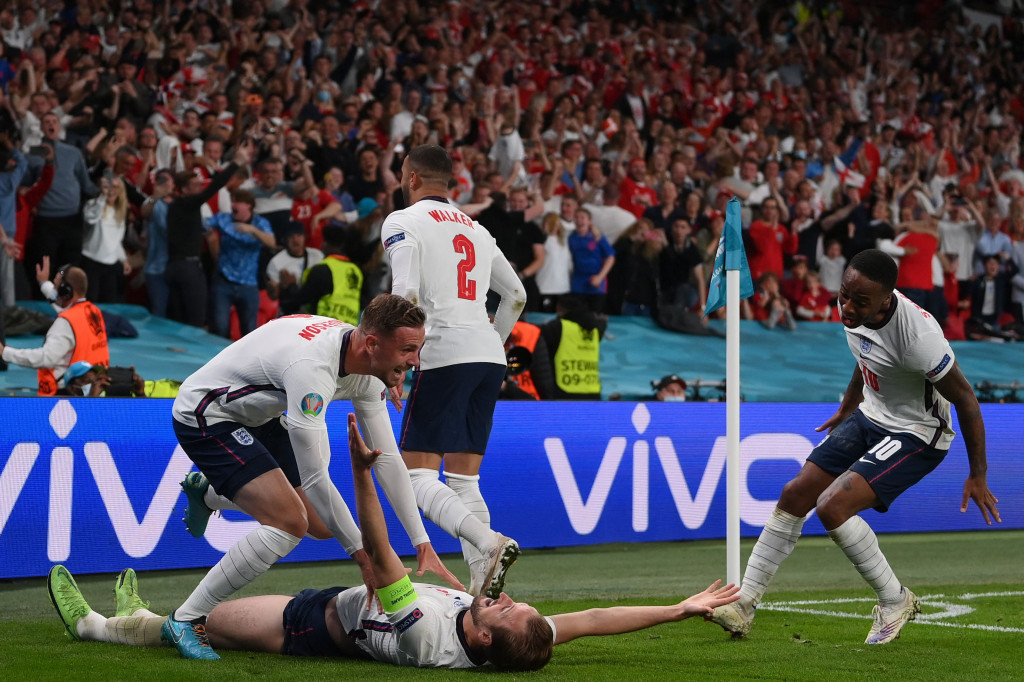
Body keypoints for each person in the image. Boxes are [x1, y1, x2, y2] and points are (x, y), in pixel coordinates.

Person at [46, 414, 740, 670]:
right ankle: (146, 598)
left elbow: (378, 560)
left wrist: (362, 475)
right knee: (286, 534)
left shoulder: (423, 638)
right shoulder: (501, 633)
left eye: (501, 610)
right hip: (354, 599)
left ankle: (100, 627)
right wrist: (677, 608)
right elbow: (591, 622)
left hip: (312, 625)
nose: (504, 600)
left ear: (487, 640)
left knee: (203, 627)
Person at [709, 249, 1001, 645]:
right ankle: (744, 604)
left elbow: (966, 399)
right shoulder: (856, 310)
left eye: (858, 301)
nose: (846, 306)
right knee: (794, 494)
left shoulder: (919, 339)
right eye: (843, 294)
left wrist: (978, 474)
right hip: (870, 415)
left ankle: (895, 599)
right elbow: (865, 353)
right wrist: (849, 404)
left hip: (917, 433)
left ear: (886, 299)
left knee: (832, 506)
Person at [163, 294, 460, 660]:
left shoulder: (366, 366)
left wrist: (421, 542)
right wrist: (364, 557)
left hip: (262, 412)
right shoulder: (312, 370)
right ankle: (186, 618)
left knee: (320, 524)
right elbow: (317, 479)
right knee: (290, 521)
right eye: (408, 350)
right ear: (371, 344)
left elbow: (387, 460)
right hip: (208, 413)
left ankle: (208, 495)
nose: (415, 361)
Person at [381, 145, 526, 598]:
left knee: (416, 475)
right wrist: (492, 339)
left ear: (410, 179)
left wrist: (396, 362)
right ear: (450, 182)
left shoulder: (403, 221)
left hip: (442, 353)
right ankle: (484, 587)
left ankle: (488, 543)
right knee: (464, 480)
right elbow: (517, 294)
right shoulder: (478, 230)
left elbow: (404, 292)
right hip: (487, 357)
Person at [0, 261, 109, 395]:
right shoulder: (93, 311)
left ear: (66, 291)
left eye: (57, 288)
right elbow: (62, 303)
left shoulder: (65, 322)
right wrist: (44, 283)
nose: (54, 293)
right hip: (94, 387)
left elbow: (45, 358)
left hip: (68, 393)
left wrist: (5, 352)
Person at [205, 188, 276, 338]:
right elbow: (204, 225)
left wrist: (252, 230)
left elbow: (271, 242)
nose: (232, 204)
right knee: (219, 327)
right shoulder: (224, 218)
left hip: (248, 284)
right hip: (223, 281)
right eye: (232, 200)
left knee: (249, 331)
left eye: (237, 201)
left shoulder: (259, 223)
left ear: (248, 205)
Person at [278, 223, 360, 323]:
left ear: (325, 244)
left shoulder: (323, 269)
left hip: (325, 327)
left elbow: (299, 300)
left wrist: (291, 286)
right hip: (349, 327)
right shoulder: (356, 271)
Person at [535, 295, 606, 400]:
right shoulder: (595, 329)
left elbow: (532, 333)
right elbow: (603, 323)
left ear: (560, 309)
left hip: (565, 392)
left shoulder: (558, 327)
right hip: (592, 390)